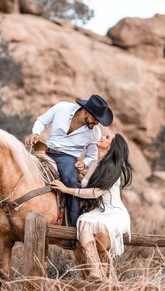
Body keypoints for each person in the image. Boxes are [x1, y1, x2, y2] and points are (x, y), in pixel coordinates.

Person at [51, 134, 133, 281]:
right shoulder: (95, 163)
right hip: (97, 211)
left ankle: (105, 273)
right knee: (83, 221)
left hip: (113, 211)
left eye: (107, 137)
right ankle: (95, 268)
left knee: (100, 226)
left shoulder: (113, 166)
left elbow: (95, 192)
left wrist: (66, 189)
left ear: (112, 146)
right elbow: (88, 184)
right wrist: (80, 172)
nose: (102, 137)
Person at [25, 95, 113, 227]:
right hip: (45, 149)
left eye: (99, 121)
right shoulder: (62, 108)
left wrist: (84, 163)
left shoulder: (94, 133)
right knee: (22, 167)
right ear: (86, 112)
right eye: (95, 119)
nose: (96, 123)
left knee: (70, 181)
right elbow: (42, 121)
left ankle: (73, 226)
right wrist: (36, 133)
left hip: (67, 157)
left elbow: (91, 155)